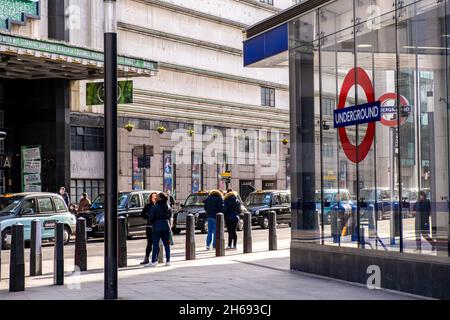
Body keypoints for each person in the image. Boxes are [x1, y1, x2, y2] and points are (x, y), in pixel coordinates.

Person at [147, 192, 172, 267]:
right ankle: (168, 261)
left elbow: (151, 217)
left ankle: (154, 261)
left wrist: (151, 222)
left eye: (157, 196)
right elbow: (170, 216)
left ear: (160, 198)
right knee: (167, 245)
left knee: (155, 244)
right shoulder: (168, 206)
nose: (156, 197)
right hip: (165, 226)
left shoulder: (155, 206)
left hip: (157, 227)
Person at [140, 192, 158, 265]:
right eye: (152, 197)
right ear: (150, 198)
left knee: (156, 243)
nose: (153, 198)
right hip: (149, 227)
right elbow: (142, 214)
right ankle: (146, 259)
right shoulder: (148, 206)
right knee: (149, 243)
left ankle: (155, 258)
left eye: (155, 197)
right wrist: (149, 217)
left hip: (156, 227)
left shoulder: (158, 205)